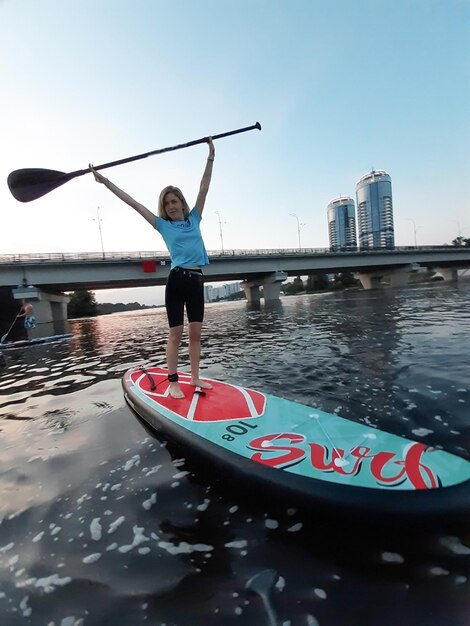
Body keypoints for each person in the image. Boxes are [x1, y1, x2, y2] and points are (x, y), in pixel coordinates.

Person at [90, 138, 215, 399]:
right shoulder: (162, 225)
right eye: (167, 203)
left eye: (174, 201)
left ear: (181, 202)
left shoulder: (194, 218)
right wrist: (106, 182)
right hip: (177, 280)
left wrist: (211, 154)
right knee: (175, 334)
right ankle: (172, 381)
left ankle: (194, 378)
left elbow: (203, 188)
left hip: (196, 280)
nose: (171, 205)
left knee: (195, 334)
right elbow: (134, 204)